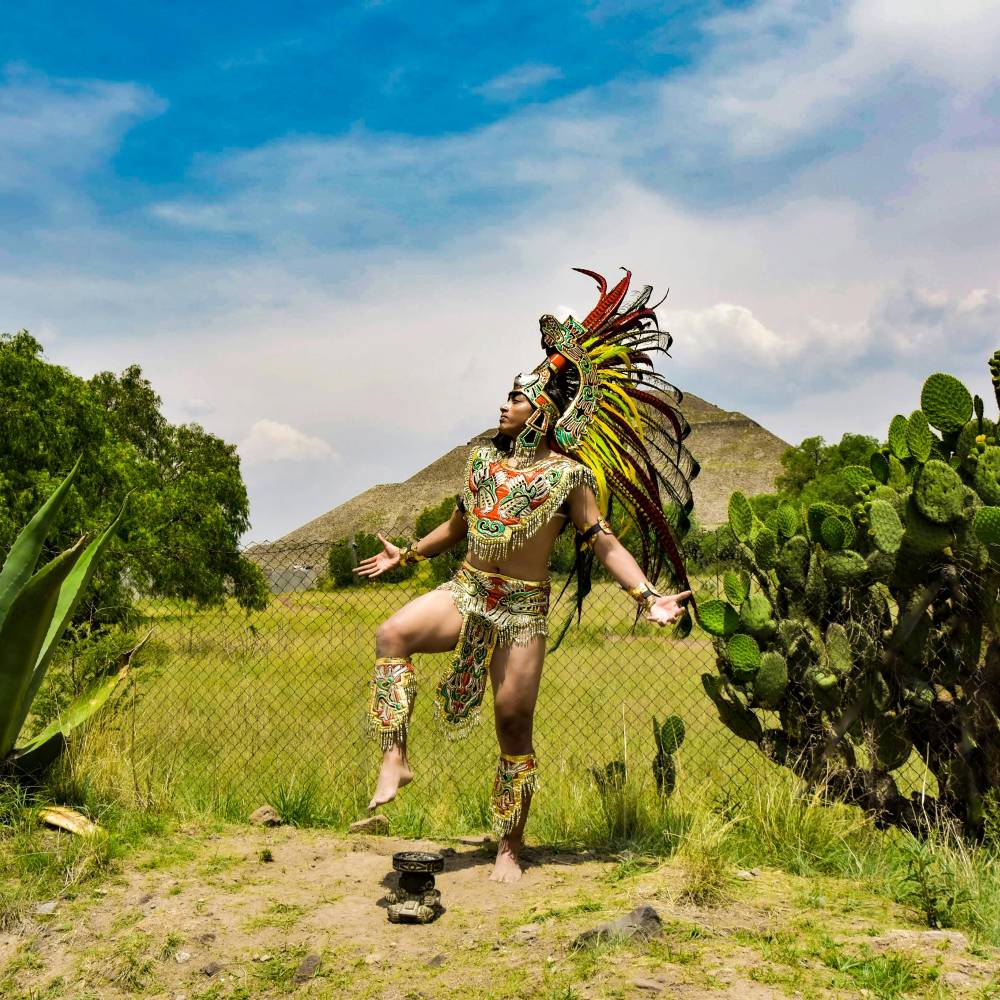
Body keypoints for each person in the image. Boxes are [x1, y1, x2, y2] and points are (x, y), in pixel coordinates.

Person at [356, 268, 699, 883]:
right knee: (392, 635)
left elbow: (604, 541)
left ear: (542, 407)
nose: (502, 406)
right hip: (466, 590)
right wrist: (406, 555)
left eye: (513, 398)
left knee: (513, 724)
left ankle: (509, 846)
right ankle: (396, 757)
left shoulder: (569, 478)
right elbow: (458, 526)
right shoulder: (482, 460)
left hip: (521, 612)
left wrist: (645, 595)